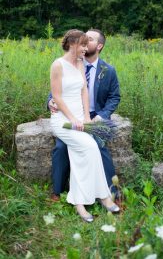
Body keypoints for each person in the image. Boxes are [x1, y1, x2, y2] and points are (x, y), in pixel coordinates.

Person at [50, 29, 119, 222]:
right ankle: (91, 200)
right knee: (89, 146)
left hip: (81, 117)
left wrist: (86, 118)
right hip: (63, 119)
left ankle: (96, 198)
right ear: (73, 44)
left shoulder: (81, 63)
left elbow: (84, 92)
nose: (85, 47)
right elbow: (55, 95)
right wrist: (73, 119)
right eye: (83, 43)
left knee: (89, 150)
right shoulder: (57, 65)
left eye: (88, 43)